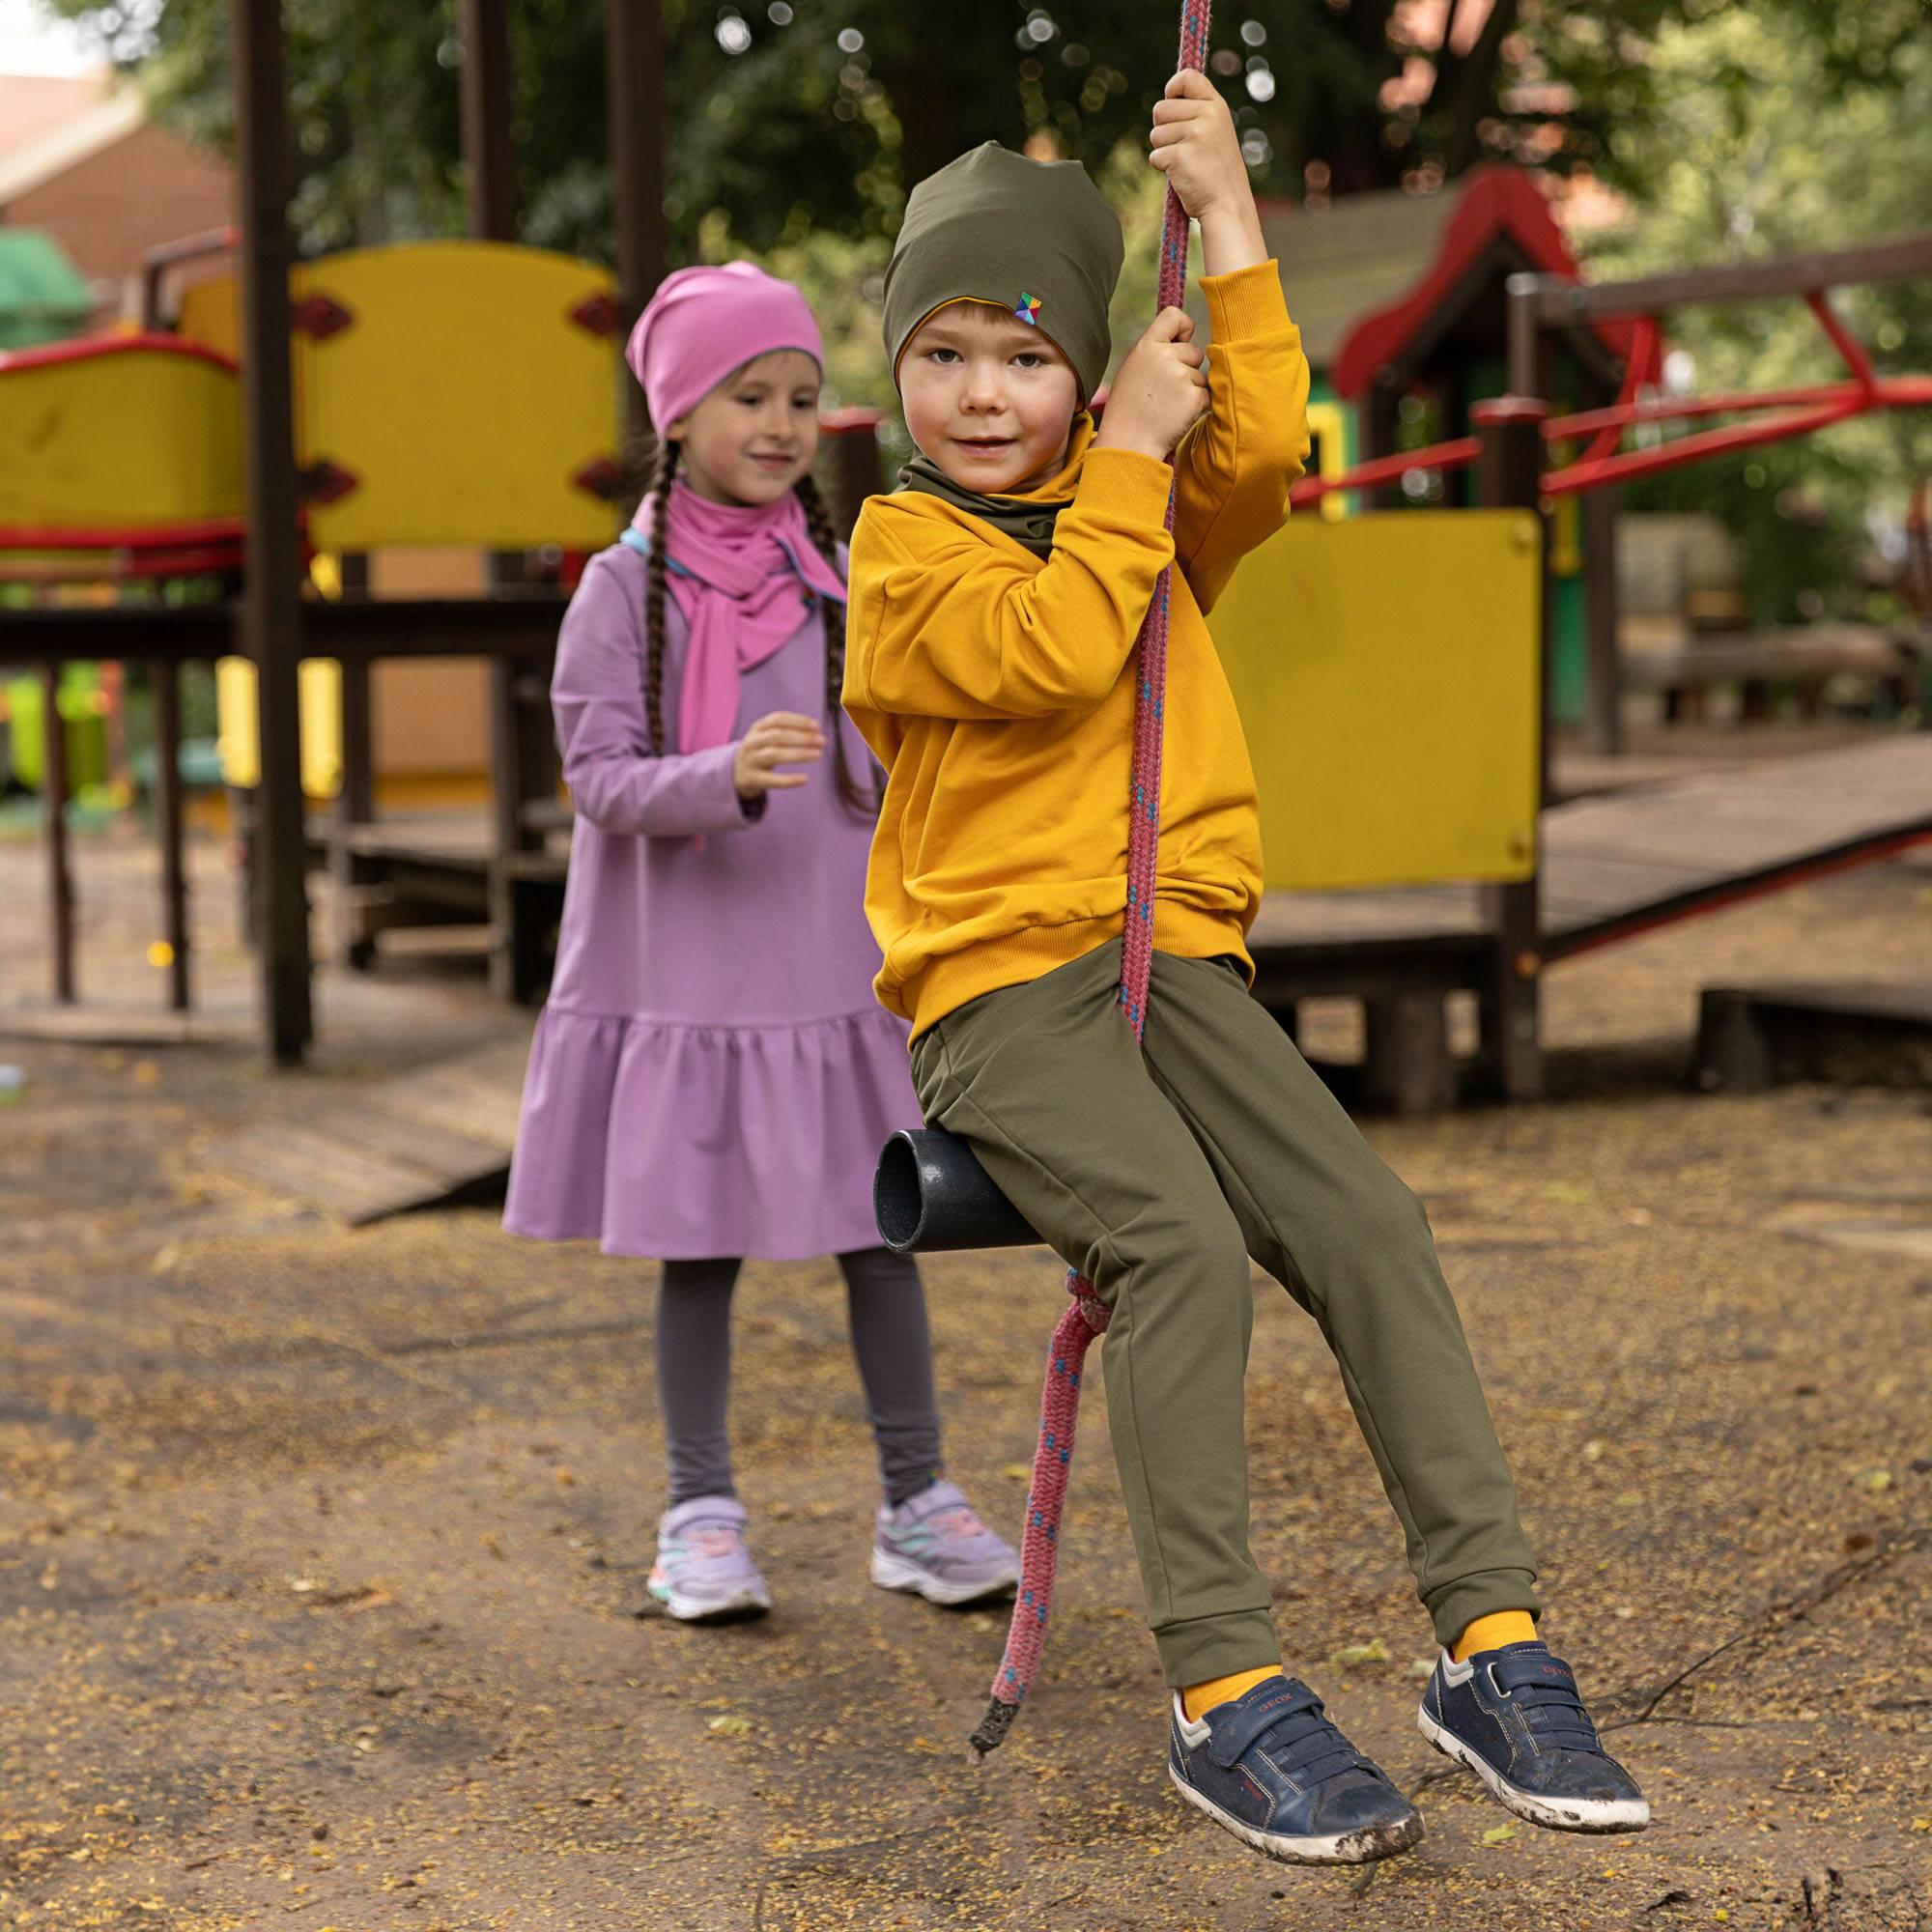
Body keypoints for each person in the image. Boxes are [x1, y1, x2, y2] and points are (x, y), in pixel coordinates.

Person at [841, 77, 1649, 1863]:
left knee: (1368, 1224)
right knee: (1175, 1249)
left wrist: (1232, 221)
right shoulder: (900, 554)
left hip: (1175, 960)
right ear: (897, 370)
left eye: (1027, 359)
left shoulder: (1143, 509)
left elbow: (1264, 445)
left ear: (1081, 374)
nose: (984, 393)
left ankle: (1490, 1642)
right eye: (947, 353)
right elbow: (1052, 657)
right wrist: (1127, 446)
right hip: (998, 993)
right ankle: (1228, 1690)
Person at [504, 262, 1018, 1625]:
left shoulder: (837, 574)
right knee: (700, 1252)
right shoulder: (622, 592)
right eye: (750, 397)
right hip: (690, 981)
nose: (783, 424)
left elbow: (905, 744)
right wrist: (717, 775)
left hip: (834, 973)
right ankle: (699, 1514)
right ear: (677, 417)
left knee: (884, 1233)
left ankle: (917, 1502)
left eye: (801, 395)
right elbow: (597, 772)